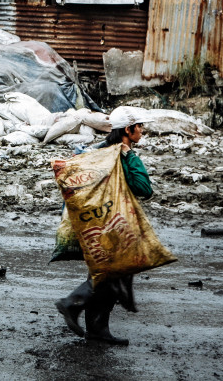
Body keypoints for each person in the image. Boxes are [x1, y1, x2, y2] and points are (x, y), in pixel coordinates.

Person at [56, 106, 154, 346]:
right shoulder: (122, 156)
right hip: (111, 226)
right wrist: (129, 156)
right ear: (128, 130)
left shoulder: (97, 152)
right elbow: (144, 189)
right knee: (111, 275)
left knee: (110, 276)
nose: (141, 131)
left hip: (91, 225)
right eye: (139, 127)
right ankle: (72, 303)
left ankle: (98, 330)